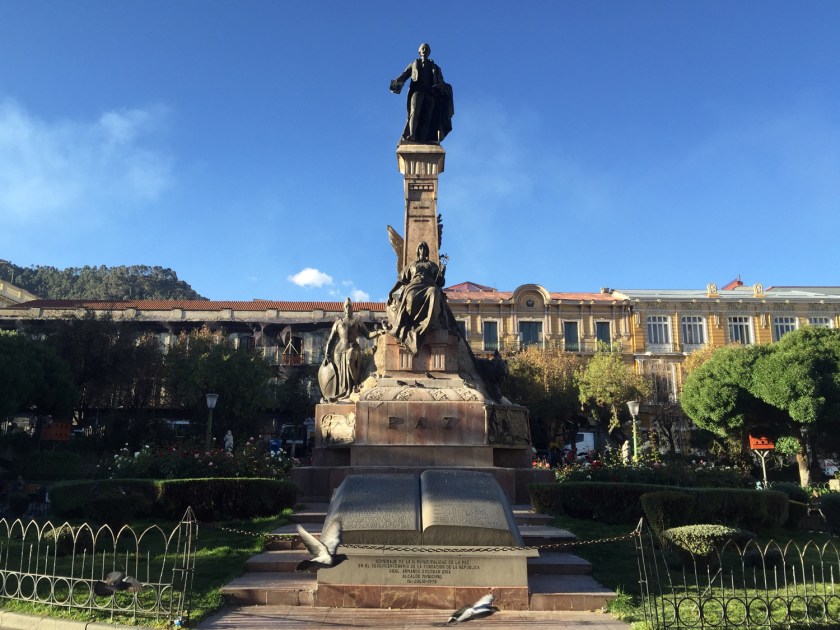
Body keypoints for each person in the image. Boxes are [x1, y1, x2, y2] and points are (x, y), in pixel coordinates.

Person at [387, 241, 448, 355]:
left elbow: (439, 283)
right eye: (420, 248)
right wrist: (391, 292)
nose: (422, 250)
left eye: (424, 248)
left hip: (429, 287)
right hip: (413, 287)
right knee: (410, 299)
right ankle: (414, 331)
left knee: (434, 292)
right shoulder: (412, 265)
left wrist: (442, 274)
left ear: (427, 251)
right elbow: (401, 280)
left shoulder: (432, 265)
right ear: (417, 251)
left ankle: (424, 328)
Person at [319, 298, 387, 402]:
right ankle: (344, 393)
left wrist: (378, 332)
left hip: (353, 347)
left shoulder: (357, 321)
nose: (348, 308)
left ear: (352, 308)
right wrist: (327, 354)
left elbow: (368, 335)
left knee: (350, 363)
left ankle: (355, 385)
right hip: (339, 351)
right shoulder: (338, 323)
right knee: (341, 375)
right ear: (343, 308)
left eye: (349, 306)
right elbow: (331, 339)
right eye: (346, 306)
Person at [390, 42, 454, 144]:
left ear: (429, 52)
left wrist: (441, 87)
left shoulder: (435, 67)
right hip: (417, 91)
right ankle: (412, 135)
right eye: (423, 48)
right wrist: (395, 85)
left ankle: (424, 138)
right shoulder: (414, 64)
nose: (425, 50)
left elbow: (441, 81)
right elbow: (405, 74)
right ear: (419, 51)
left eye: (427, 48)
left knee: (428, 116)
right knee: (414, 112)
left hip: (430, 93)